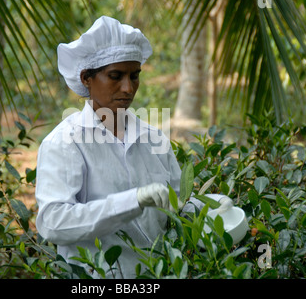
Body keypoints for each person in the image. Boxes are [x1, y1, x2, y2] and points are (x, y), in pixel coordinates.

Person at [35, 16, 229, 279]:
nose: (128, 88)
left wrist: (211, 209)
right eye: (115, 76)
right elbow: (53, 223)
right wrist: (132, 201)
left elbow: (174, 204)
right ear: (86, 78)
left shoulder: (153, 138)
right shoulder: (65, 143)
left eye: (134, 76)